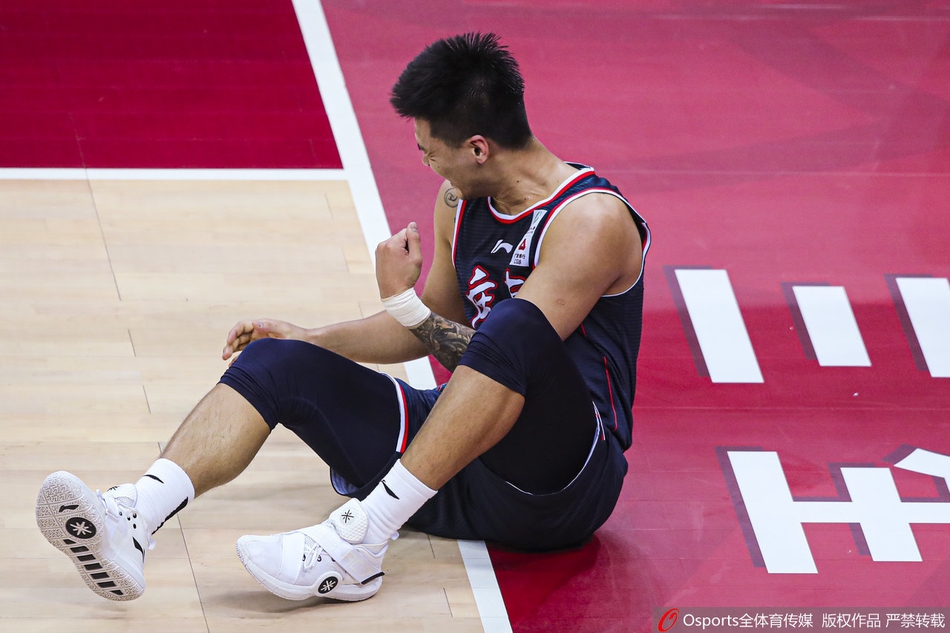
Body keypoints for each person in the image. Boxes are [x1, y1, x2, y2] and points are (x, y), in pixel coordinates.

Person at [35, 32, 650, 604]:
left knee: (515, 326)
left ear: (478, 148)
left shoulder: (590, 221)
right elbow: (434, 326)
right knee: (277, 360)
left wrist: (403, 303)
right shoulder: (460, 200)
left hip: (559, 485)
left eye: (432, 154)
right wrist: (313, 339)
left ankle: (360, 542)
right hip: (457, 460)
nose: (428, 166)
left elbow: (503, 359)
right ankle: (134, 516)